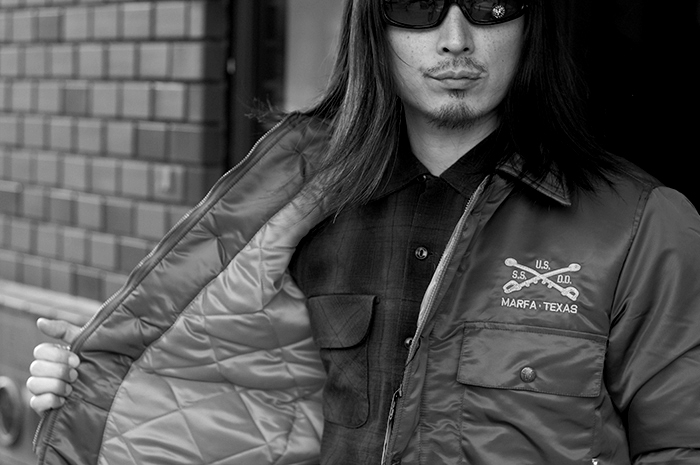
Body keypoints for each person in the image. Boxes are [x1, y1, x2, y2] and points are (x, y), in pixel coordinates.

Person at [27, 0, 700, 464]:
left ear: (532, 24)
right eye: (417, 6)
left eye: (490, 6)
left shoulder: (640, 224)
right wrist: (93, 385)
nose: (455, 39)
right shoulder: (298, 215)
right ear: (372, 25)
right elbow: (227, 407)